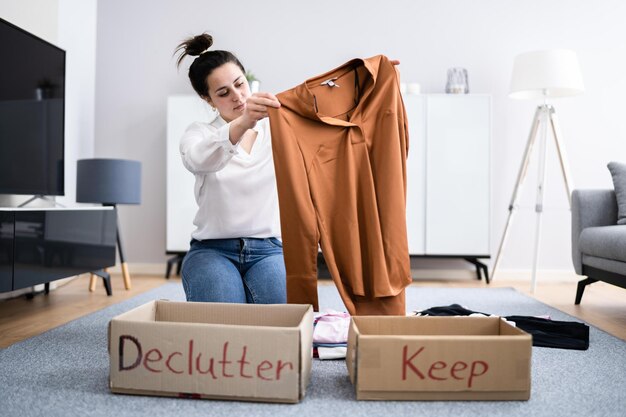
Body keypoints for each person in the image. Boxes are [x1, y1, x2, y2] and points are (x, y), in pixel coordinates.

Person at [174, 33, 285, 304]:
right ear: (208, 99)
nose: (237, 97)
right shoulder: (198, 134)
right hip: (212, 250)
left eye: (240, 84)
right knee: (220, 323)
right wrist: (244, 121)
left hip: (268, 249)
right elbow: (198, 159)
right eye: (223, 93)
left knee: (283, 321)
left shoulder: (276, 130)